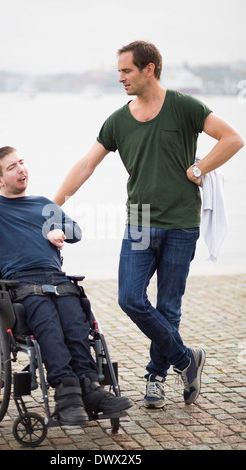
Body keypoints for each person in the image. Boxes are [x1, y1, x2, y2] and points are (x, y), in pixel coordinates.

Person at [53, 41, 244, 408]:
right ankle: (187, 360)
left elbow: (233, 138)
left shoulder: (185, 107)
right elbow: (86, 165)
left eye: (126, 71)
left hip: (182, 222)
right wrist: (51, 204)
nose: (120, 78)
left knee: (169, 306)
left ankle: (155, 377)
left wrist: (199, 168)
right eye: (119, 71)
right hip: (140, 218)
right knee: (130, 297)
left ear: (150, 69)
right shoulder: (118, 120)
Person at [0, 145, 132, 425]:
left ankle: (90, 387)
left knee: (76, 326)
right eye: (12, 167)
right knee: (49, 327)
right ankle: (67, 394)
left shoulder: (44, 204)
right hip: (21, 283)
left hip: (57, 280)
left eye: (22, 162)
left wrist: (59, 230)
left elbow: (76, 231)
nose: (21, 169)